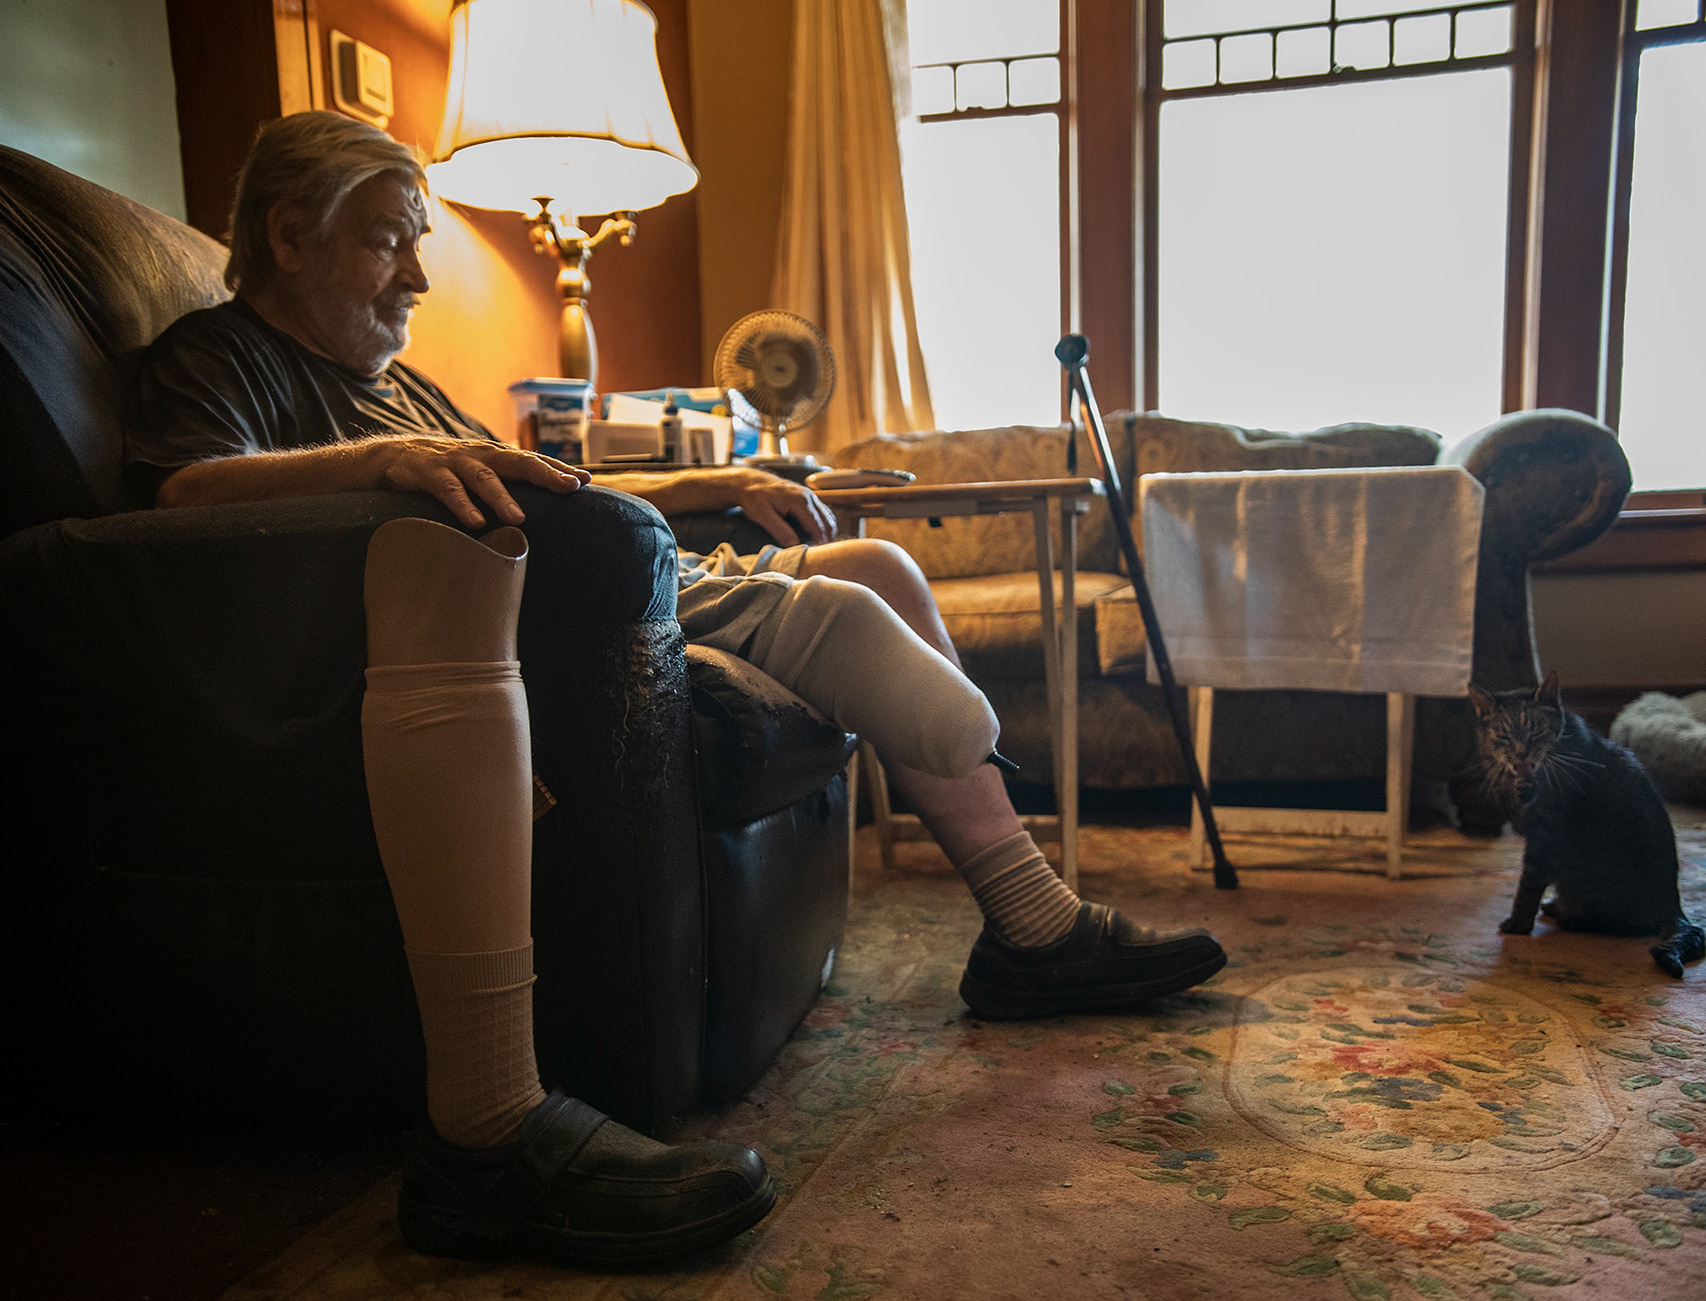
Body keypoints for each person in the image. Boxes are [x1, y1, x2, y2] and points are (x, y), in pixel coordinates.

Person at [130, 111, 1226, 1268]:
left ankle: (1031, 925)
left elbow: (567, 479)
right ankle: (500, 1122)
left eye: (417, 241)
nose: (417, 273)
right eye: (390, 240)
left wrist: (728, 474)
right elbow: (180, 491)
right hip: (513, 621)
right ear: (291, 236)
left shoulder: (401, 385)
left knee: (878, 564)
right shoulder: (219, 359)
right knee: (821, 606)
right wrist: (386, 463)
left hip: (633, 582)